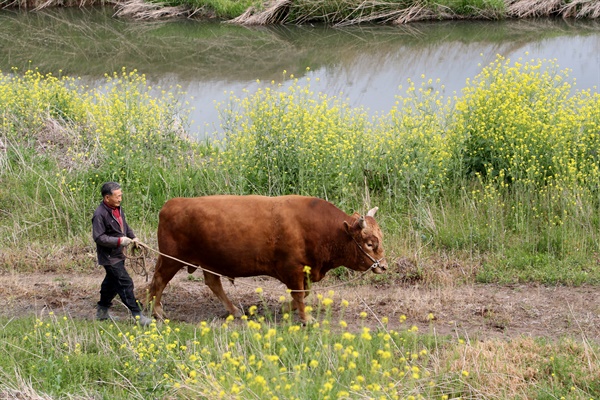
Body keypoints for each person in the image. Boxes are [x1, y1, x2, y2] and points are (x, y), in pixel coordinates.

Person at [92, 181, 152, 326]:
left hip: (119, 254)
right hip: (109, 257)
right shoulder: (99, 215)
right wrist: (119, 241)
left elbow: (124, 226)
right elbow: (99, 237)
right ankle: (137, 315)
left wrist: (133, 237)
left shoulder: (117, 208)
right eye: (117, 196)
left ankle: (102, 312)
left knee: (111, 284)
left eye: (121, 195)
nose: (120, 198)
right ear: (107, 198)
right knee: (125, 283)